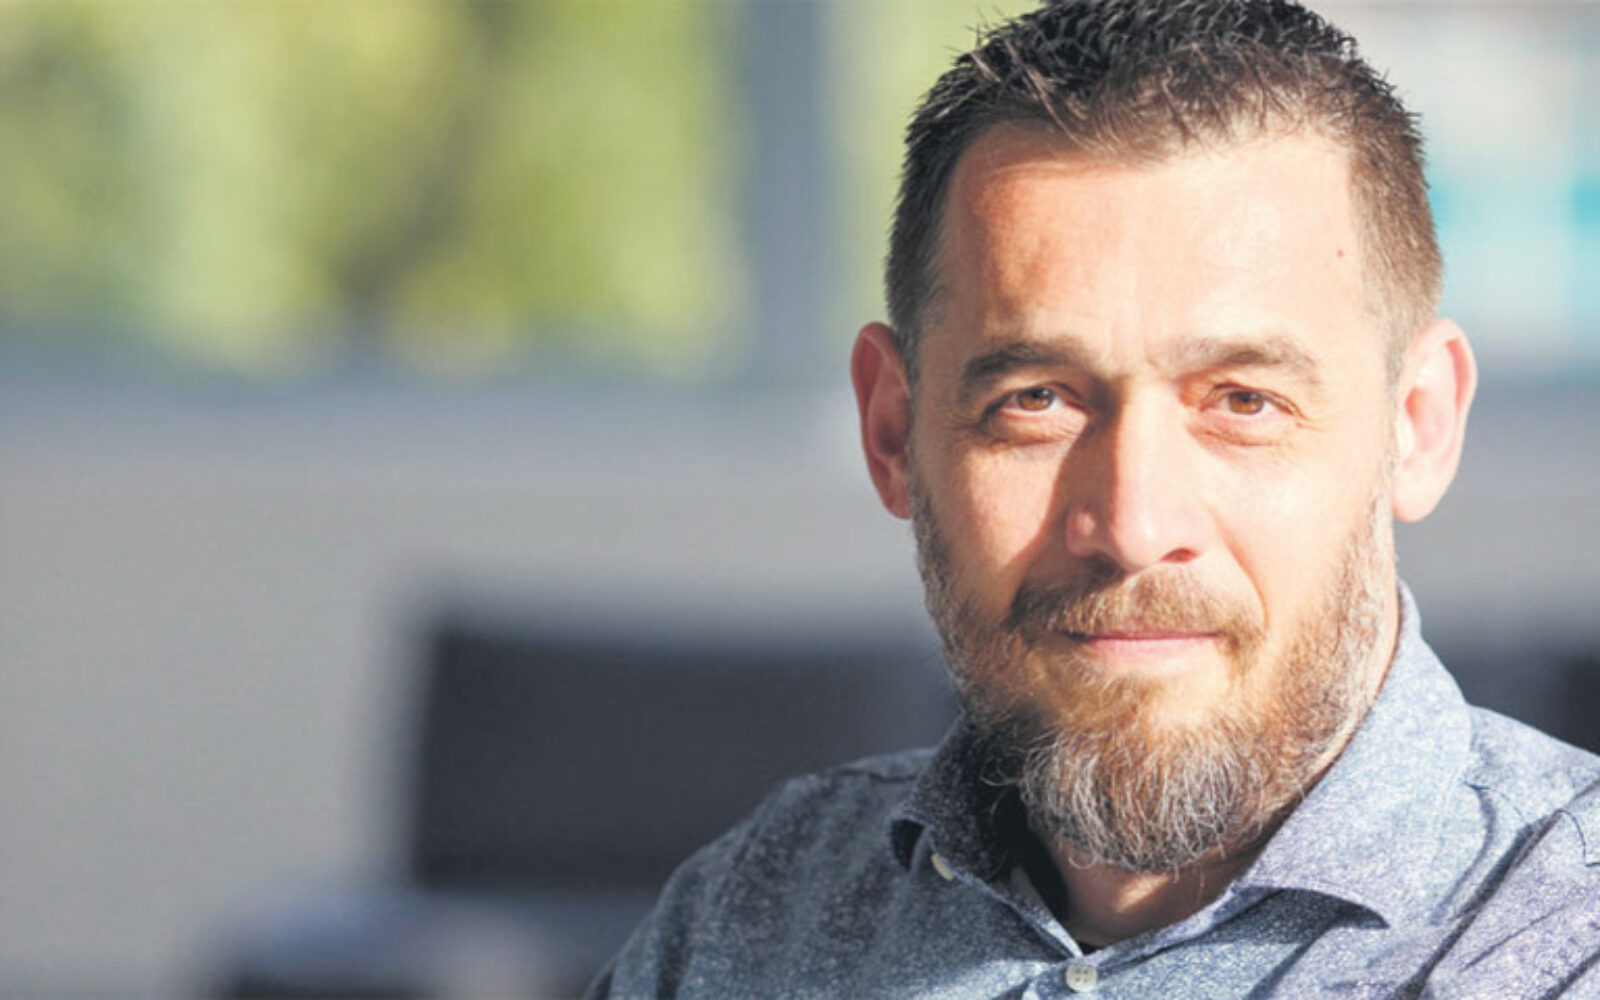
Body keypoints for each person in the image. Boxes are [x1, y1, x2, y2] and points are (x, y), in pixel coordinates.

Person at [590, 1, 1600, 996]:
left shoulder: (1566, 936)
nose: (1131, 525)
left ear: (1419, 425)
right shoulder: (755, 906)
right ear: (894, 431)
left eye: (1242, 401)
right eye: (1035, 400)